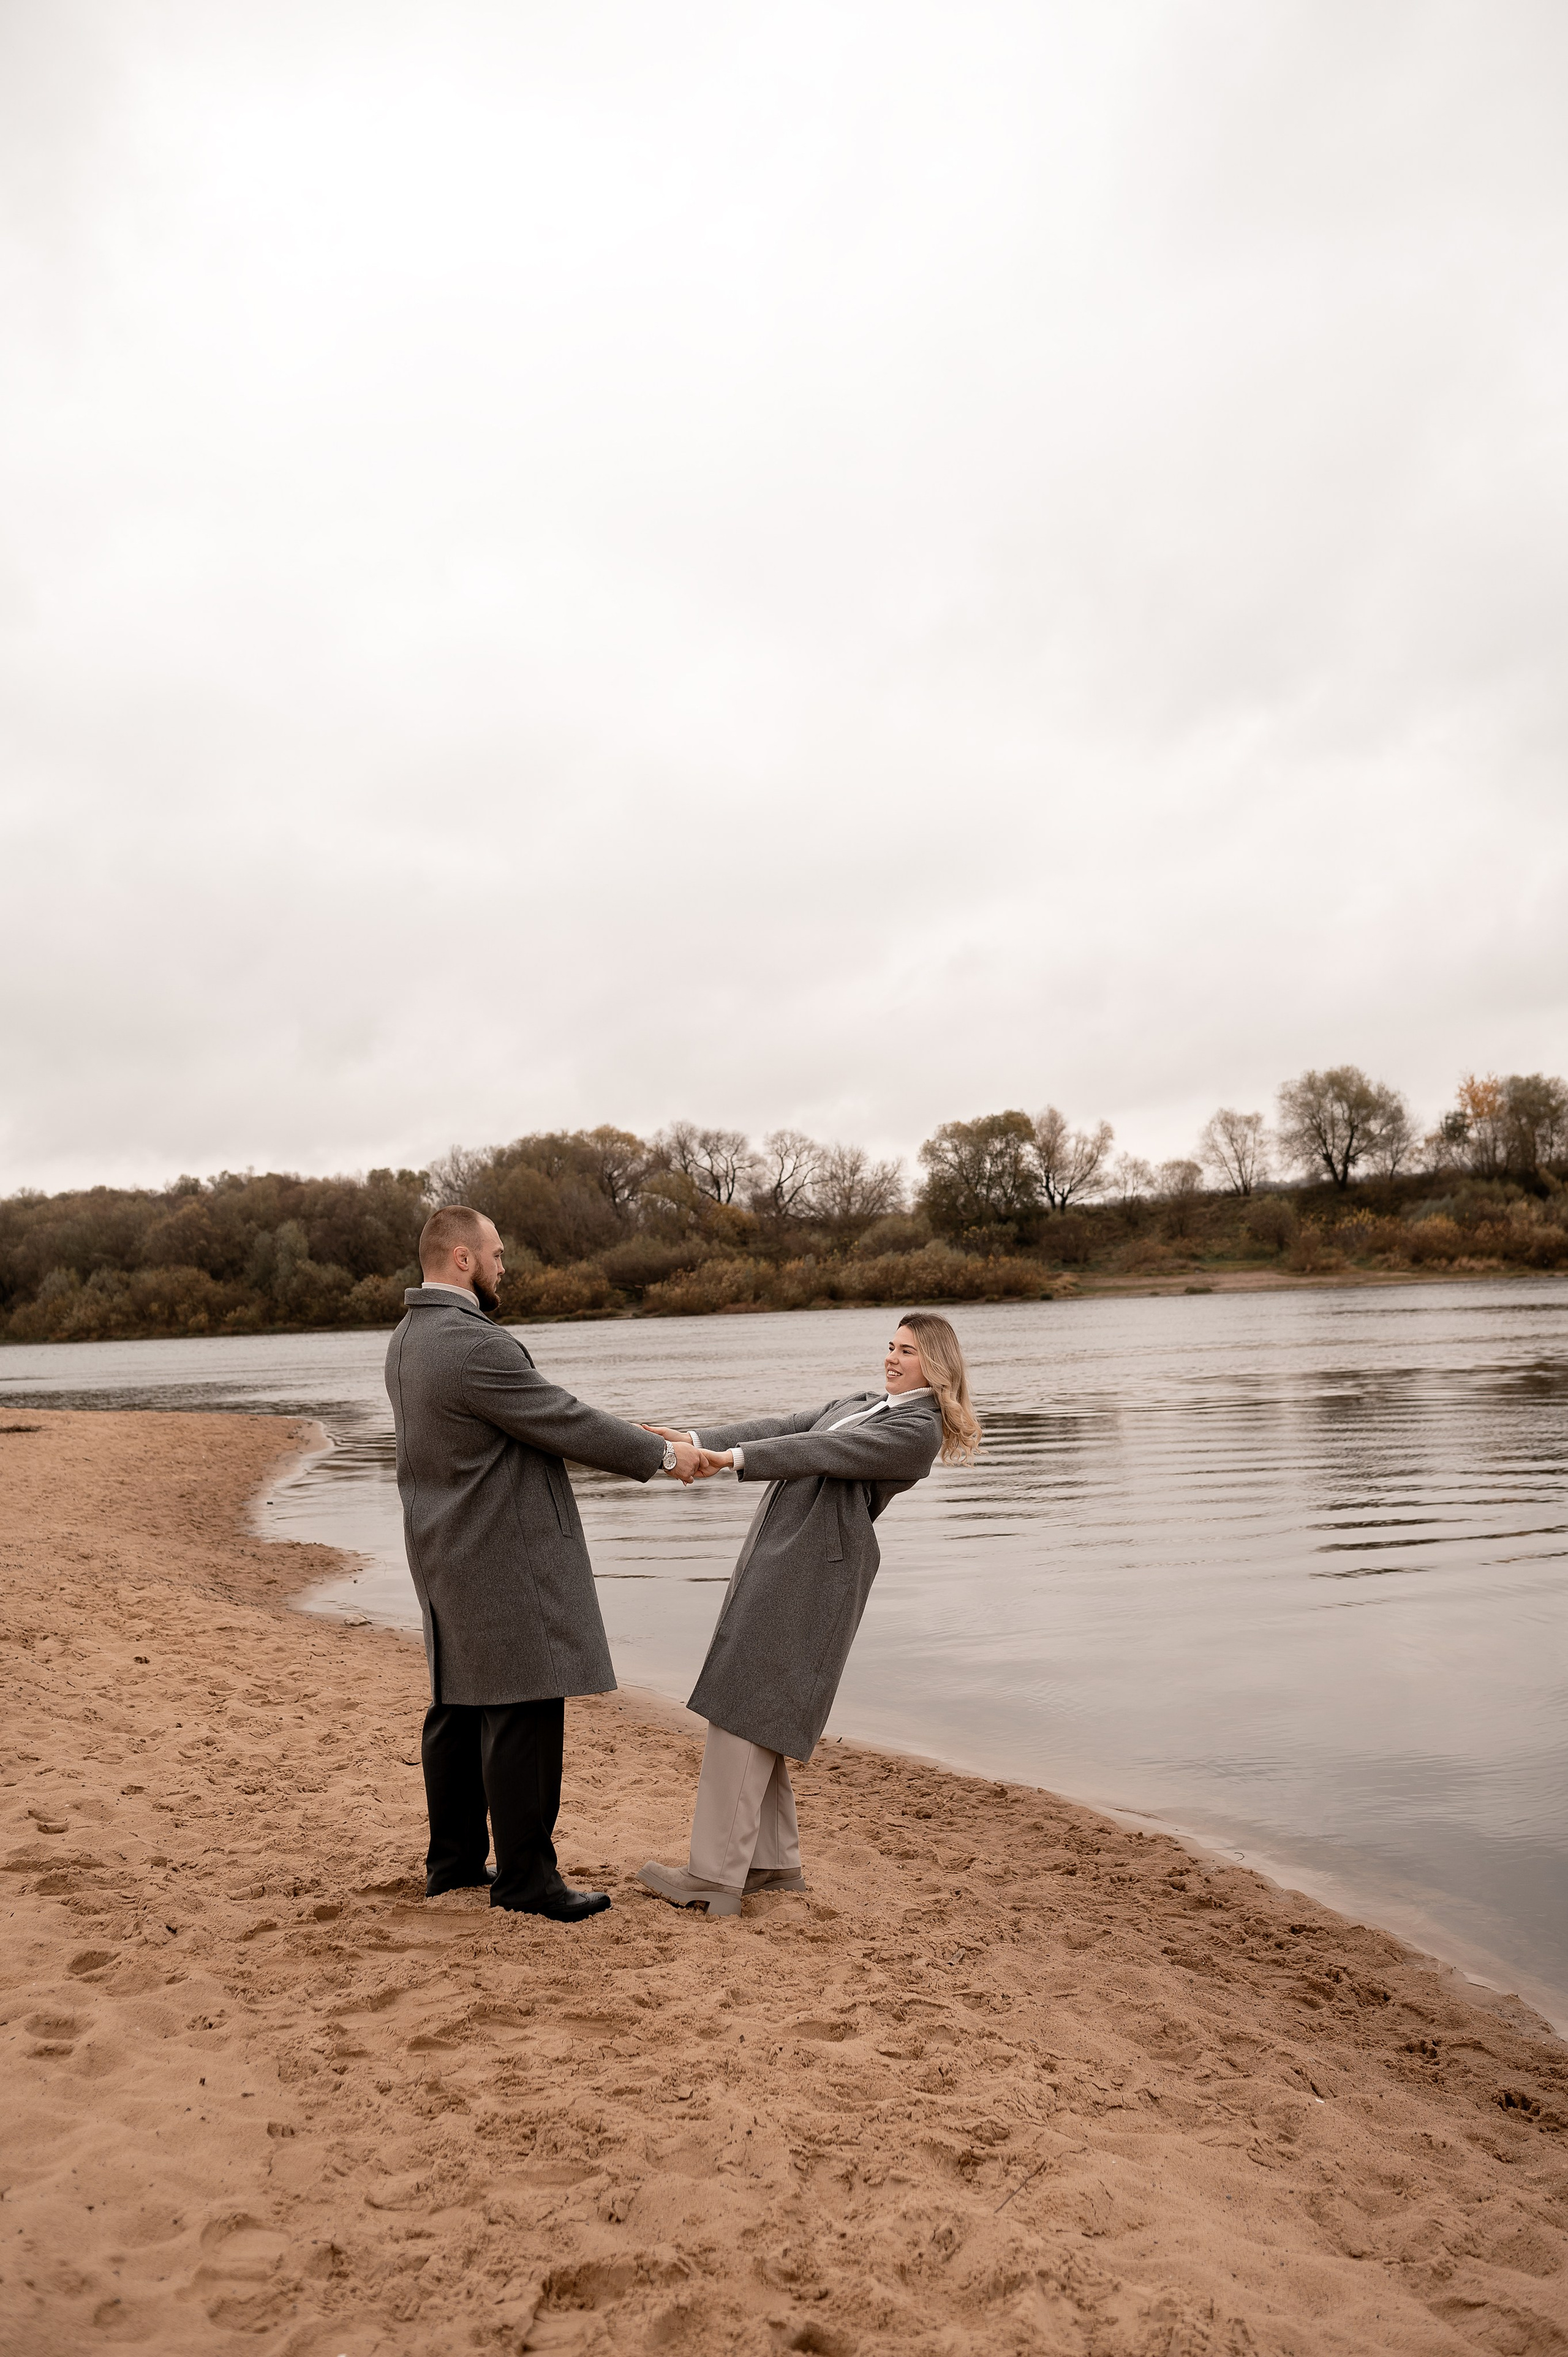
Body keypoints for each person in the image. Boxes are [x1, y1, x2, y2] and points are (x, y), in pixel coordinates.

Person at [386, 1205, 707, 1922]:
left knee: (459, 1707)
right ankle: (527, 1879)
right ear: (462, 1259)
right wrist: (663, 1454)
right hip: (502, 1550)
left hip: (442, 1544)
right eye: (497, 1253)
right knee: (525, 1707)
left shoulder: (408, 1336)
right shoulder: (472, 1343)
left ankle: (456, 1863)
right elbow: (562, 1417)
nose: (506, 1265)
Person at [636, 1310, 981, 1918]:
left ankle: (714, 1876)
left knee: (745, 1700)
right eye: (890, 1345)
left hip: (810, 1574)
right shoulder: (863, 1400)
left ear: (937, 1363)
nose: (892, 1357)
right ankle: (772, 1862)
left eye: (907, 1350)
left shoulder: (917, 1430)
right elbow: (787, 1425)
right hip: (783, 1557)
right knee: (756, 1701)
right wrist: (697, 1439)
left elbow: (824, 1449)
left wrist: (731, 1460)